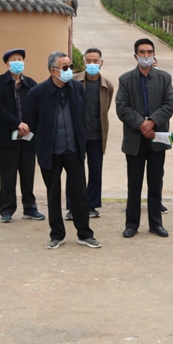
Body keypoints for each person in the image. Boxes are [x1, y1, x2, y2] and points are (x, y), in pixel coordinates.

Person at [26, 51, 101, 250]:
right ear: (54, 71)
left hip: (73, 149)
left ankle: (84, 233)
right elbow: (31, 123)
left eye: (71, 66)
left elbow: (81, 116)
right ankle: (57, 234)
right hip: (50, 151)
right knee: (53, 194)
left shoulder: (77, 88)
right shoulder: (37, 93)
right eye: (66, 67)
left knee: (80, 193)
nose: (70, 71)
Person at [116, 38, 173, 238]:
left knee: (156, 181)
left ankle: (156, 223)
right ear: (135, 56)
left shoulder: (164, 78)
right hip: (135, 138)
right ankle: (131, 224)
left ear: (154, 54)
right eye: (142, 52)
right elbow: (122, 108)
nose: (146, 56)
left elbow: (169, 104)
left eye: (149, 52)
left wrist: (153, 122)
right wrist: (142, 124)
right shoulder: (125, 80)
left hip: (158, 136)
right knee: (134, 183)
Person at [0, 48, 45, 223]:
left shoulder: (31, 83)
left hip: (28, 138)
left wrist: (28, 126)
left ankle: (30, 208)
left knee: (28, 174)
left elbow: (38, 107)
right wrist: (16, 123)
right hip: (7, 137)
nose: (17, 62)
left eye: (20, 59)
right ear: (7, 63)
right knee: (8, 175)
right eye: (13, 59)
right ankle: (6, 210)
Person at [65, 47, 114, 220]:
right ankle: (73, 207)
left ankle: (91, 205)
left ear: (101, 63)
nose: (92, 64)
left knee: (95, 171)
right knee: (74, 172)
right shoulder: (74, 81)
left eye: (95, 61)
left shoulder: (107, 85)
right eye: (88, 61)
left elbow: (105, 108)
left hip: (97, 136)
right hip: (77, 136)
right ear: (84, 62)